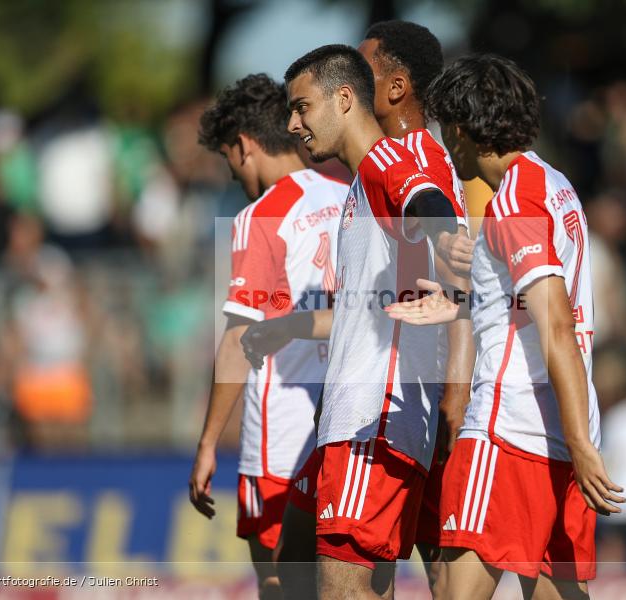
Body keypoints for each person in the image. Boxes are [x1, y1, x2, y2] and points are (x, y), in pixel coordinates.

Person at [385, 55, 625, 600]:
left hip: (508, 426)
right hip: (562, 423)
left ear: (463, 129)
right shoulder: (555, 184)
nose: (447, 146)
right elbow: (536, 304)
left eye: (448, 130)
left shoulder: (515, 197)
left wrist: (583, 445)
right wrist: (472, 304)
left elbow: (556, 323)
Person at [242, 44, 471, 599]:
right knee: (299, 563)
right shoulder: (361, 183)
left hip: (373, 422)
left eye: (301, 107)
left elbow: (426, 200)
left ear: (345, 99)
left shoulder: (392, 160)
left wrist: (444, 238)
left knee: (345, 589)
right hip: (354, 418)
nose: (293, 125)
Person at [187, 73, 348, 600]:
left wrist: (209, 442)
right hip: (349, 426)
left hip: (281, 438)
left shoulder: (261, 216)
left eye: (229, 159)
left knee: (280, 584)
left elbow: (239, 338)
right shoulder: (351, 198)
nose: (234, 175)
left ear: (245, 145)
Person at [356, 20, 475, 589]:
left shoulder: (407, 156)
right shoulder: (423, 155)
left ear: (397, 87)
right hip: (419, 401)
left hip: (408, 402)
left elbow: (452, 264)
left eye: (363, 71)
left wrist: (456, 390)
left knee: (364, 574)